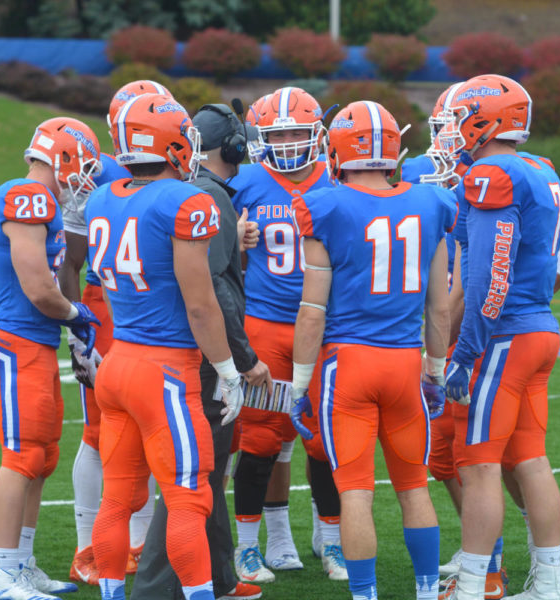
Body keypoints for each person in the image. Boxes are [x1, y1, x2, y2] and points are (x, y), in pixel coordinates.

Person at [291, 100, 457, 600]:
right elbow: (440, 308)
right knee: (413, 487)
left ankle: (365, 594)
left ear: (337, 150)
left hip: (348, 366)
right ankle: (427, 590)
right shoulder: (432, 203)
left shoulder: (325, 205)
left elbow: (312, 311)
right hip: (405, 362)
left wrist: (299, 386)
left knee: (356, 493)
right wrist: (434, 374)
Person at [85, 93, 244, 600]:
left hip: (118, 364)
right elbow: (200, 304)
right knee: (188, 498)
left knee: (116, 499)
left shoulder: (103, 197)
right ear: (173, 143)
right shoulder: (185, 200)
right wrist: (228, 369)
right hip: (166, 371)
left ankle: (111, 594)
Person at [129, 102, 266, 600]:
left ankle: (221, 574)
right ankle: (158, 585)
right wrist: (241, 359)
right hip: (192, 352)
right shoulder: (205, 196)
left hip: (143, 344)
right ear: (231, 146)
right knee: (194, 474)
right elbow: (213, 291)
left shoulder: (190, 192)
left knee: (210, 464)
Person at [440, 74, 560, 600]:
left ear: (484, 118)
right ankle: (549, 585)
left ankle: (471, 585)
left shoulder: (492, 172)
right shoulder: (538, 168)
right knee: (531, 459)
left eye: (459, 117)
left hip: (505, 336)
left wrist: (463, 351)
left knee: (478, 464)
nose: (452, 129)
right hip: (539, 328)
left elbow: (487, 278)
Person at [227, 86, 346, 583]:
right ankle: (249, 546)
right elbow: (208, 249)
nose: (291, 141)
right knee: (259, 436)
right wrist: (235, 238)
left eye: (298, 131)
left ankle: (332, 539)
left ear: (318, 132)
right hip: (267, 323)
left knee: (326, 439)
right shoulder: (246, 180)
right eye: (279, 134)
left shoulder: (339, 174)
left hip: (326, 323)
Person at [0, 116, 102, 600]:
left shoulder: (43, 200)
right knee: (22, 456)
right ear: (63, 157)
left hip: (34, 343)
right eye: (83, 165)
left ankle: (23, 564)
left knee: (43, 457)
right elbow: (36, 286)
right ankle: (4, 573)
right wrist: (77, 314)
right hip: (16, 341)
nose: (85, 179)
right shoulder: (25, 195)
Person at [61, 80, 169, 586]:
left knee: (149, 430)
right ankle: (91, 546)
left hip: (146, 310)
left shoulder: (123, 173)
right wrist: (74, 320)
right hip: (110, 309)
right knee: (104, 431)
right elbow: (74, 259)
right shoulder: (97, 172)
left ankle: (140, 543)